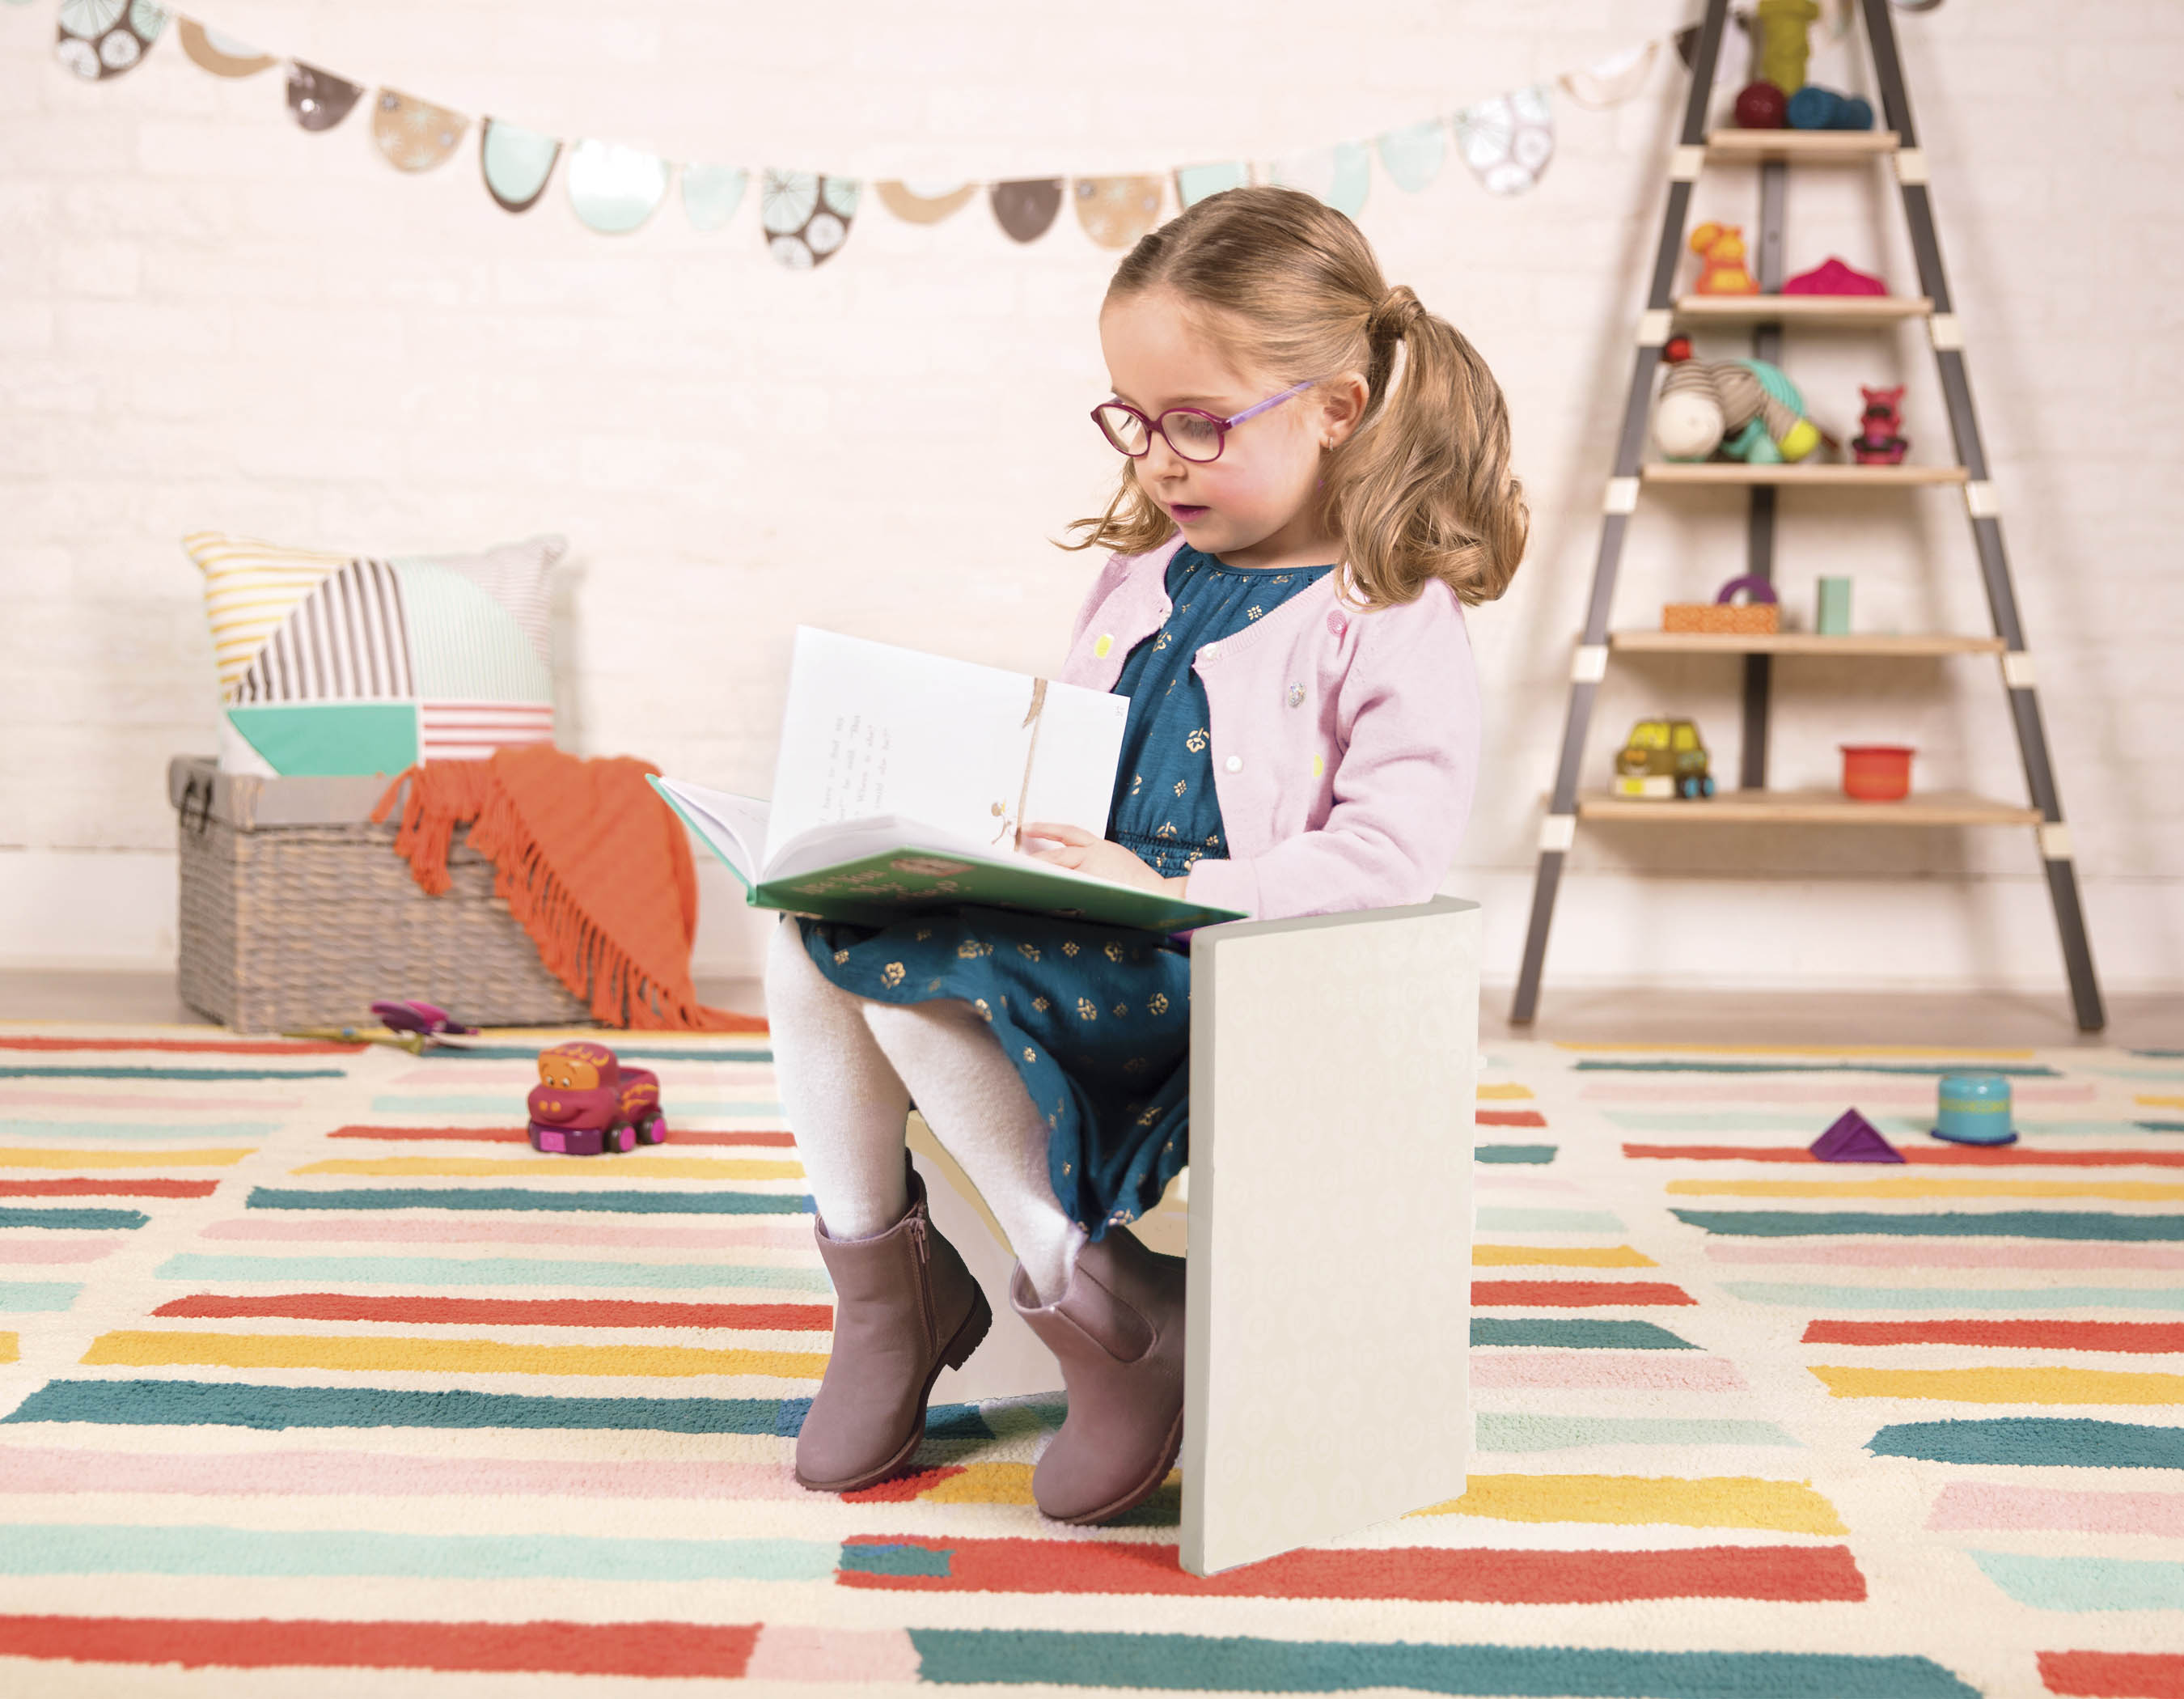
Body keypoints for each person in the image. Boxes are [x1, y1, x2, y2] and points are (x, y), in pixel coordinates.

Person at [765, 184, 1526, 1525]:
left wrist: (1172, 891)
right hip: (1090, 930)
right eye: (1132, 419)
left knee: (928, 979)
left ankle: (1101, 1304)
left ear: (1334, 409)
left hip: (1222, 978)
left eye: (1195, 424)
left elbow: (1388, 863)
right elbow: (1079, 769)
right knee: (807, 931)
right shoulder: (1138, 579)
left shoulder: (1389, 615)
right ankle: (887, 1295)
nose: (1157, 461)